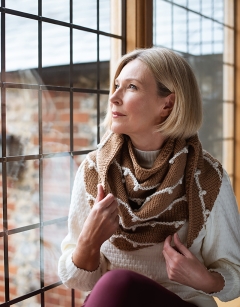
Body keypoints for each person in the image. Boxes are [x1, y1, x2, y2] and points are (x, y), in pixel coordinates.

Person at [58, 47, 240, 307]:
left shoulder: (208, 177)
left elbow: (235, 274)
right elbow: (78, 281)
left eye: (131, 87)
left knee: (115, 283)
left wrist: (206, 280)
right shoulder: (93, 170)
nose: (114, 98)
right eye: (116, 85)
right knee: (113, 286)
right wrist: (88, 241)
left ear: (167, 104)